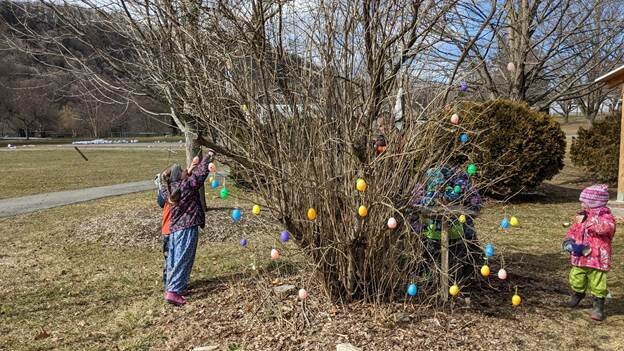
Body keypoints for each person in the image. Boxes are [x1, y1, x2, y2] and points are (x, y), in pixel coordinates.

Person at [160, 151, 213, 306]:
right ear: (179, 176)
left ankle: (173, 287)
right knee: (183, 259)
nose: (185, 172)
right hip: (187, 227)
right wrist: (208, 157)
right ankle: (174, 292)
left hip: (175, 229)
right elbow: (199, 176)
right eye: (183, 170)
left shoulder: (168, 189)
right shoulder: (186, 187)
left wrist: (190, 168)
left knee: (174, 259)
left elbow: (187, 177)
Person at [562, 184, 616, 321]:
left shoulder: (607, 217)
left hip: (597, 257)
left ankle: (598, 304)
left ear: (594, 203)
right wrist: (568, 240)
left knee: (598, 281)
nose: (581, 204)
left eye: (584, 202)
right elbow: (574, 230)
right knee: (576, 276)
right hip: (580, 255)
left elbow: (607, 229)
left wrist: (589, 221)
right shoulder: (581, 216)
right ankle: (578, 293)